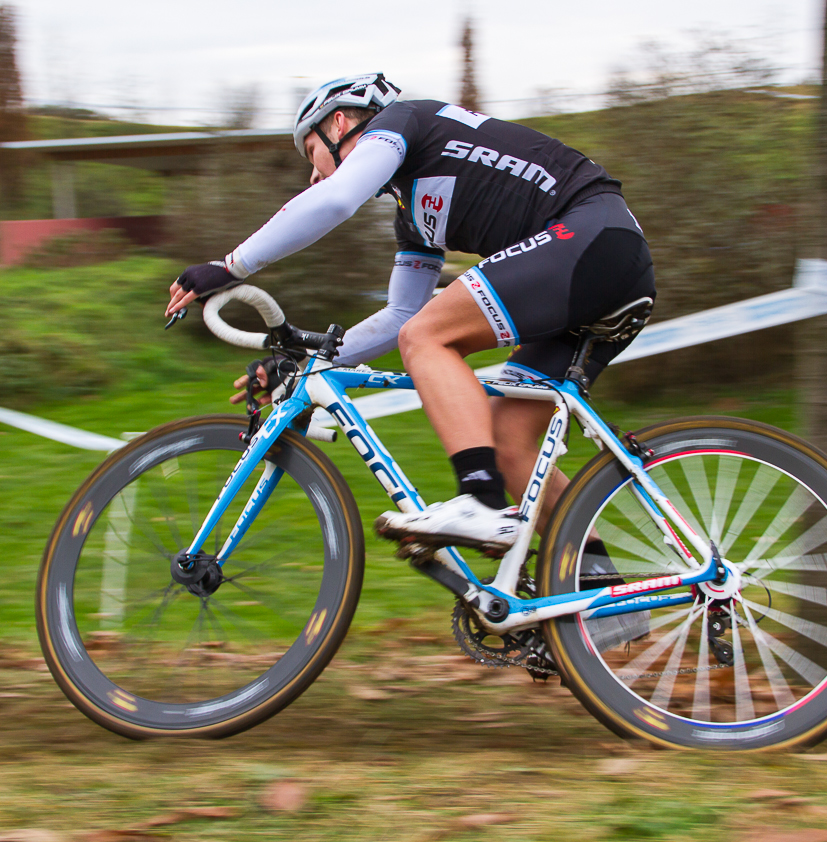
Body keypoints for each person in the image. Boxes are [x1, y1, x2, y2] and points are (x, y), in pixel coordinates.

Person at [164, 72, 655, 555]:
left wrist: (229, 266)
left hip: (590, 240)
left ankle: (481, 506)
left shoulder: (405, 120)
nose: (311, 174)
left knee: (430, 338)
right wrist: (312, 365)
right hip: (600, 272)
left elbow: (334, 200)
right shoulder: (413, 214)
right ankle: (601, 601)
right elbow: (401, 313)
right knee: (509, 444)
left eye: (309, 152)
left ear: (338, 125)